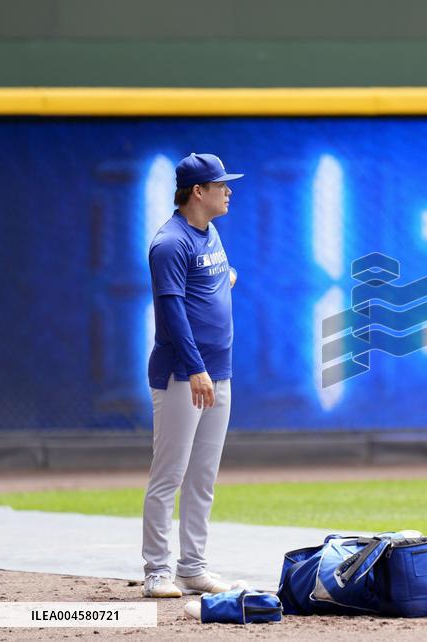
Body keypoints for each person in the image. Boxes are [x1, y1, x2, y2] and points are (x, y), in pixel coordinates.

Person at [141, 153, 243, 598]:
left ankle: (193, 567)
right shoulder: (170, 243)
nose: (228, 191)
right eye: (221, 185)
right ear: (198, 192)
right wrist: (196, 367)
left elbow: (211, 280)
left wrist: (226, 279)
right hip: (183, 374)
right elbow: (171, 312)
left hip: (218, 371)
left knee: (203, 476)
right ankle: (157, 571)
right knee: (169, 475)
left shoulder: (210, 232)